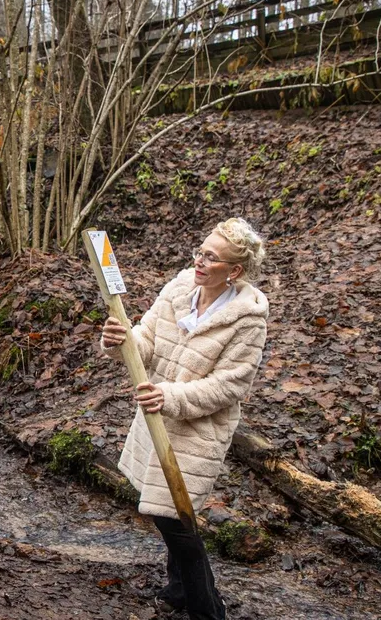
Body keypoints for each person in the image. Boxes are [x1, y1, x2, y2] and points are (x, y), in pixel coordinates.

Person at [100, 217, 269, 618]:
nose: (199, 262)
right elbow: (147, 342)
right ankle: (178, 588)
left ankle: (208, 610)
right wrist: (121, 341)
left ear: (235, 271)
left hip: (197, 430)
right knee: (163, 510)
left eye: (211, 258)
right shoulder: (179, 288)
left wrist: (170, 396)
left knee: (178, 519)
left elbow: (231, 385)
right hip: (156, 418)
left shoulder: (247, 319)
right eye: (200, 252)